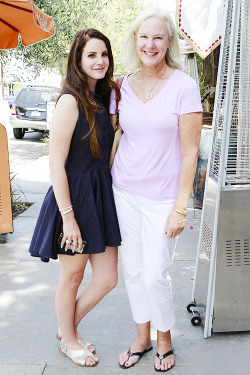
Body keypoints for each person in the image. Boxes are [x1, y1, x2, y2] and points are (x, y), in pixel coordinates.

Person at [109, 7, 202, 372]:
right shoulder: (121, 86)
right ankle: (142, 337)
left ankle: (164, 339)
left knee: (154, 273)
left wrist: (180, 208)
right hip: (124, 192)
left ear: (168, 43)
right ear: (136, 40)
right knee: (132, 271)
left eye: (158, 37)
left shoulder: (184, 86)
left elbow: (191, 152)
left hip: (164, 198)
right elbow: (114, 136)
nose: (150, 44)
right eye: (144, 37)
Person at [29, 28, 121, 367]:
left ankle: (66, 328)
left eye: (104, 54)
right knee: (72, 276)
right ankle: (68, 339)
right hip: (75, 198)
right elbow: (56, 164)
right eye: (91, 55)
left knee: (108, 278)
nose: (99, 61)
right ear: (78, 61)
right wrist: (68, 217)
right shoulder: (69, 100)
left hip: (100, 195)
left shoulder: (103, 96)